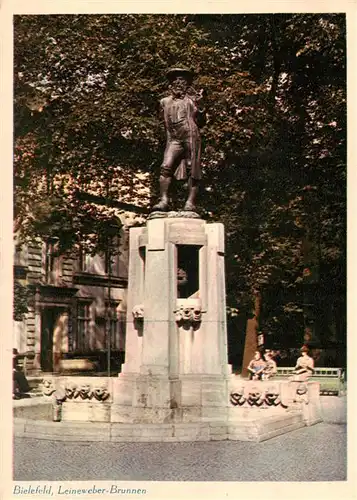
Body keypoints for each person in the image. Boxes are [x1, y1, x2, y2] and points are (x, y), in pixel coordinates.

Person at [153, 67, 206, 213]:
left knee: (192, 168)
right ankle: (164, 200)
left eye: (182, 80)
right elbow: (161, 121)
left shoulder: (193, 101)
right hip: (174, 138)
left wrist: (201, 107)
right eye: (175, 80)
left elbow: (201, 121)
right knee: (165, 166)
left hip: (190, 136)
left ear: (187, 84)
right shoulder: (164, 102)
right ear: (170, 85)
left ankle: (190, 202)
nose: (178, 83)